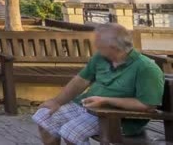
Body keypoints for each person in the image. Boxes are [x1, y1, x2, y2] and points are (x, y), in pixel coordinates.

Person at [32, 23, 164, 145]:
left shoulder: (145, 68)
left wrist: (106, 100)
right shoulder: (100, 58)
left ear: (113, 47)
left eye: (98, 42)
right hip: (87, 107)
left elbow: (148, 105)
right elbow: (80, 81)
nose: (95, 44)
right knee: (44, 117)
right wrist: (57, 102)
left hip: (117, 118)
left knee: (70, 132)